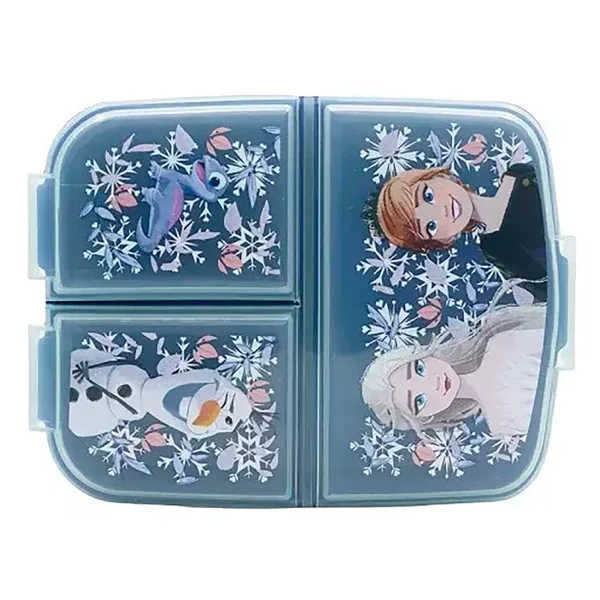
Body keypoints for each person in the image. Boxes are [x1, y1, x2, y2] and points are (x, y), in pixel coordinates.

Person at [363, 163, 547, 299]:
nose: (442, 211)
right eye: (431, 226)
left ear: (438, 176)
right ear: (442, 240)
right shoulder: (497, 246)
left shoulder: (517, 175)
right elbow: (547, 288)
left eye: (428, 196)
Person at [360, 303, 545, 437]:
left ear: (423, 354)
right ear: (425, 418)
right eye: (419, 400)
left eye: (419, 369)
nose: (434, 383)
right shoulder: (500, 423)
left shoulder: (501, 343)